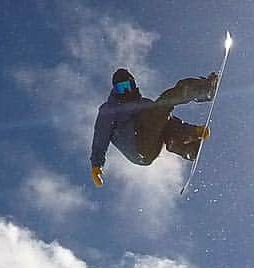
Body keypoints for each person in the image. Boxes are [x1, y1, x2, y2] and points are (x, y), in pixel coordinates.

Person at [90, 67, 218, 186]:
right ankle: (205, 90)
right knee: (165, 102)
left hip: (147, 154)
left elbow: (168, 122)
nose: (126, 91)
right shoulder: (110, 109)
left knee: (163, 118)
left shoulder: (144, 104)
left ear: (133, 85)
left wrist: (193, 131)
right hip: (137, 144)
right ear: (115, 91)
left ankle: (187, 149)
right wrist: (96, 165)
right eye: (121, 88)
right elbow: (101, 136)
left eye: (128, 86)